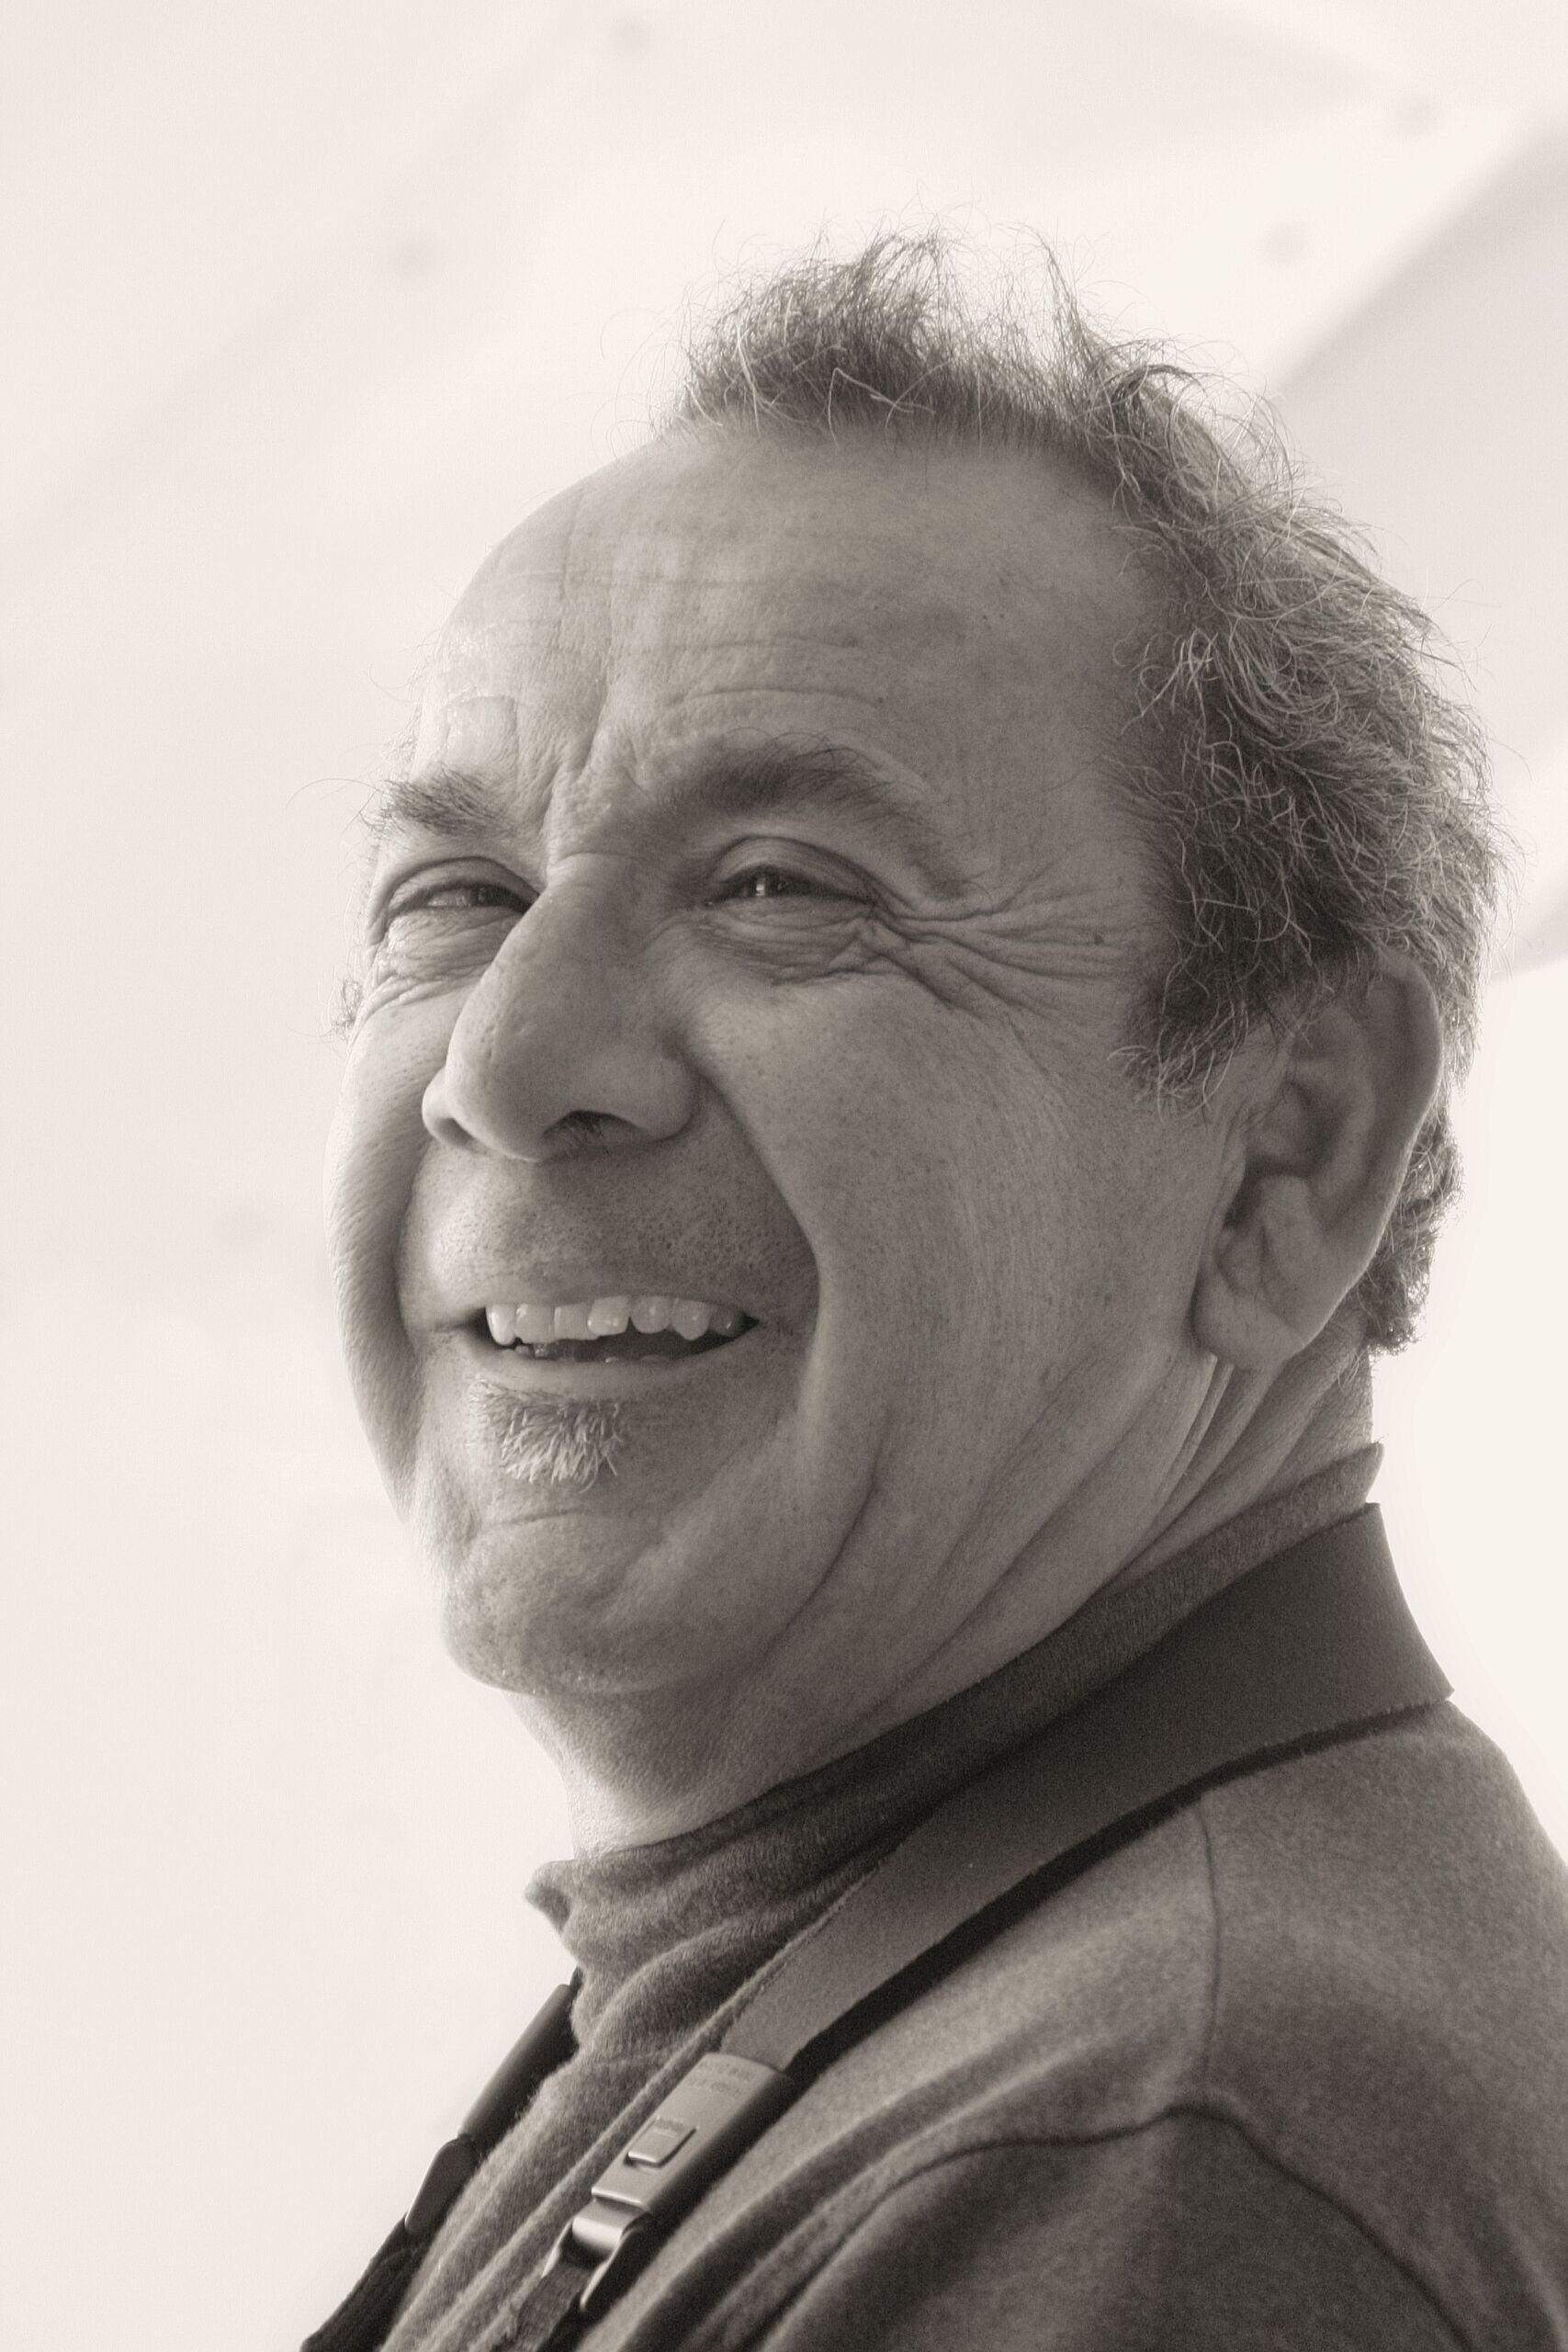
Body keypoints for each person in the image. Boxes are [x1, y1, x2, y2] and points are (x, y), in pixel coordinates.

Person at [313, 230, 1568, 2349]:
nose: (507, 1067)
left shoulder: (1161, 2149)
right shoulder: (909, 1995)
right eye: (457, 897)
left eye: (782, 886)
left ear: (1289, 1151)